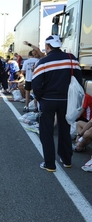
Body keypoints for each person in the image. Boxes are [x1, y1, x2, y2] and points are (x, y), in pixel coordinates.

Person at [32, 35, 82, 172]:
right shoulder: (72, 59)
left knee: (46, 131)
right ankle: (67, 160)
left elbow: (36, 85)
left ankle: (50, 164)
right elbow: (78, 80)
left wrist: (40, 98)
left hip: (48, 101)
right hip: (66, 101)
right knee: (64, 129)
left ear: (47, 47)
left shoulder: (43, 62)